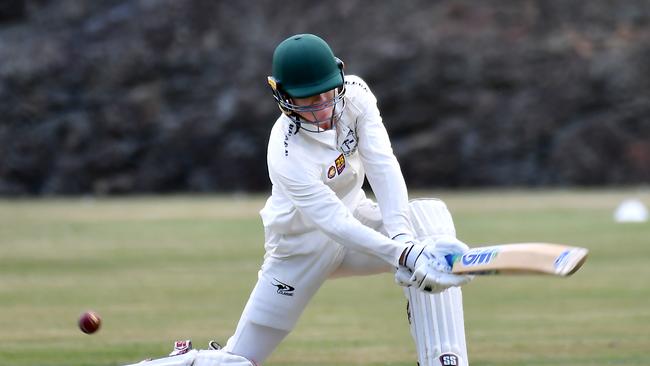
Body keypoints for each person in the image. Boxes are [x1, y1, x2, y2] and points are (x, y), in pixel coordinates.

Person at [124, 33, 473, 366]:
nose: (322, 108)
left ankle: (444, 360)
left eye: (326, 94)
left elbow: (383, 164)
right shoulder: (286, 152)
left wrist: (404, 241)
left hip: (356, 223)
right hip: (301, 251)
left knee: (430, 222)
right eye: (308, 99)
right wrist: (401, 254)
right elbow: (333, 223)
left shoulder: (356, 95)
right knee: (239, 360)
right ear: (284, 96)